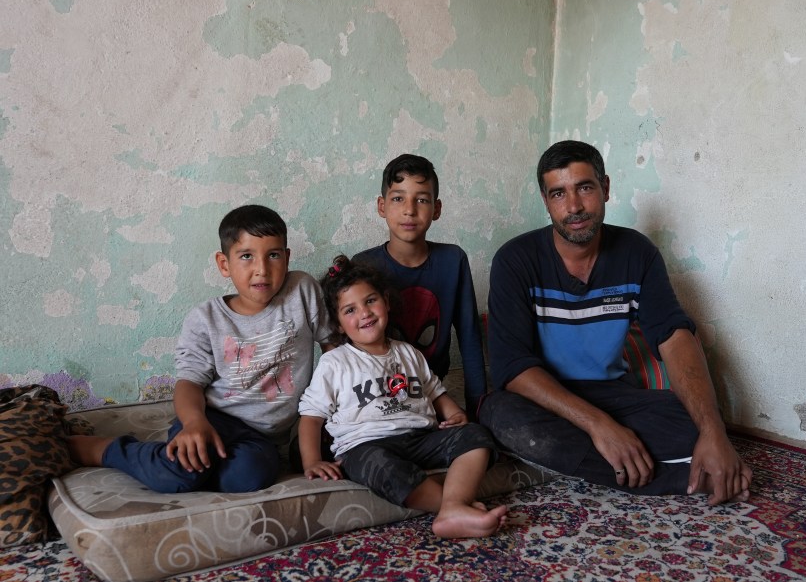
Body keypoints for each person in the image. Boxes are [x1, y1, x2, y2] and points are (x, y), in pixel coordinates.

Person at [478, 140, 752, 505]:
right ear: (546, 201)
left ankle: (596, 458)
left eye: (585, 188)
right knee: (502, 416)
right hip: (546, 400)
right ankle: (680, 477)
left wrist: (713, 431)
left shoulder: (637, 253)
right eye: (558, 194)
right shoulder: (515, 260)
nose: (573, 206)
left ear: (605, 188)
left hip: (613, 396)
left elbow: (673, 336)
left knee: (694, 419)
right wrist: (600, 427)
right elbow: (512, 368)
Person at [67, 205, 332, 493]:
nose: (262, 269)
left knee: (249, 477)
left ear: (287, 257)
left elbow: (333, 349)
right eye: (246, 256)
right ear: (224, 264)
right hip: (212, 419)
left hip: (263, 437)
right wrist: (193, 422)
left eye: (274, 255)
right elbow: (189, 382)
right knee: (177, 475)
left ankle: (200, 469)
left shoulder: (302, 291)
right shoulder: (206, 319)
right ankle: (105, 450)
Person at [298, 254, 506, 538]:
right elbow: (311, 416)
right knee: (381, 467)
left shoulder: (409, 353)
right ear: (337, 323)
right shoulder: (336, 362)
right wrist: (311, 461)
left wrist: (454, 413)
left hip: (420, 438)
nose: (364, 313)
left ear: (385, 300)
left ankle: (455, 505)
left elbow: (435, 392)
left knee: (476, 436)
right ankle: (449, 508)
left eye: (370, 300)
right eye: (350, 310)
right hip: (366, 445)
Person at [353, 154, 486, 418]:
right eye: (398, 198)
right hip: (377, 391)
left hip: (432, 387)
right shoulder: (365, 265)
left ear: (436, 209)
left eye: (422, 199)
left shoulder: (453, 260)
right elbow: (354, 344)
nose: (409, 210)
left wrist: (477, 408)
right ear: (382, 206)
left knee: (478, 443)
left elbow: (469, 336)